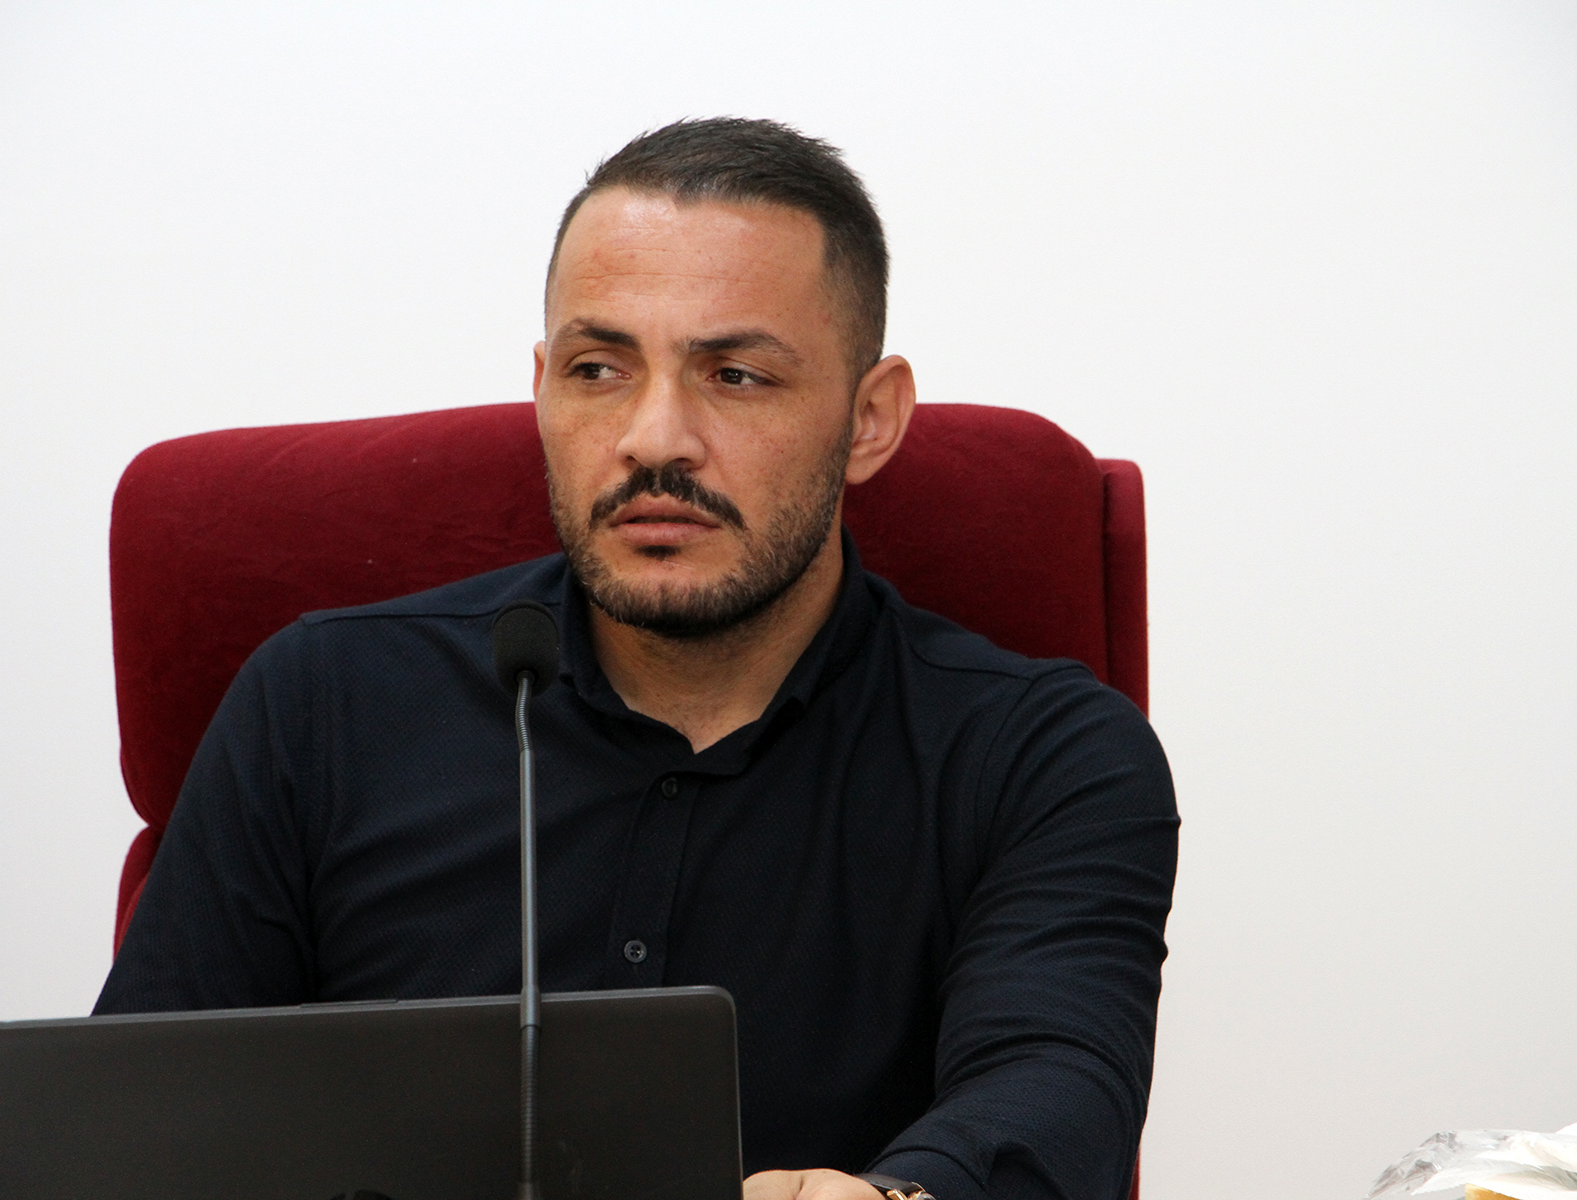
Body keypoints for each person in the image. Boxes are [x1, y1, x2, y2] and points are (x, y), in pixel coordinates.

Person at [96, 117, 1179, 1200]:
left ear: (869, 420)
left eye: (736, 375)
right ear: (542, 389)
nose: (654, 439)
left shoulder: (1044, 757)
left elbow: (1051, 1084)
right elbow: (134, 1128)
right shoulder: (320, 706)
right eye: (598, 369)